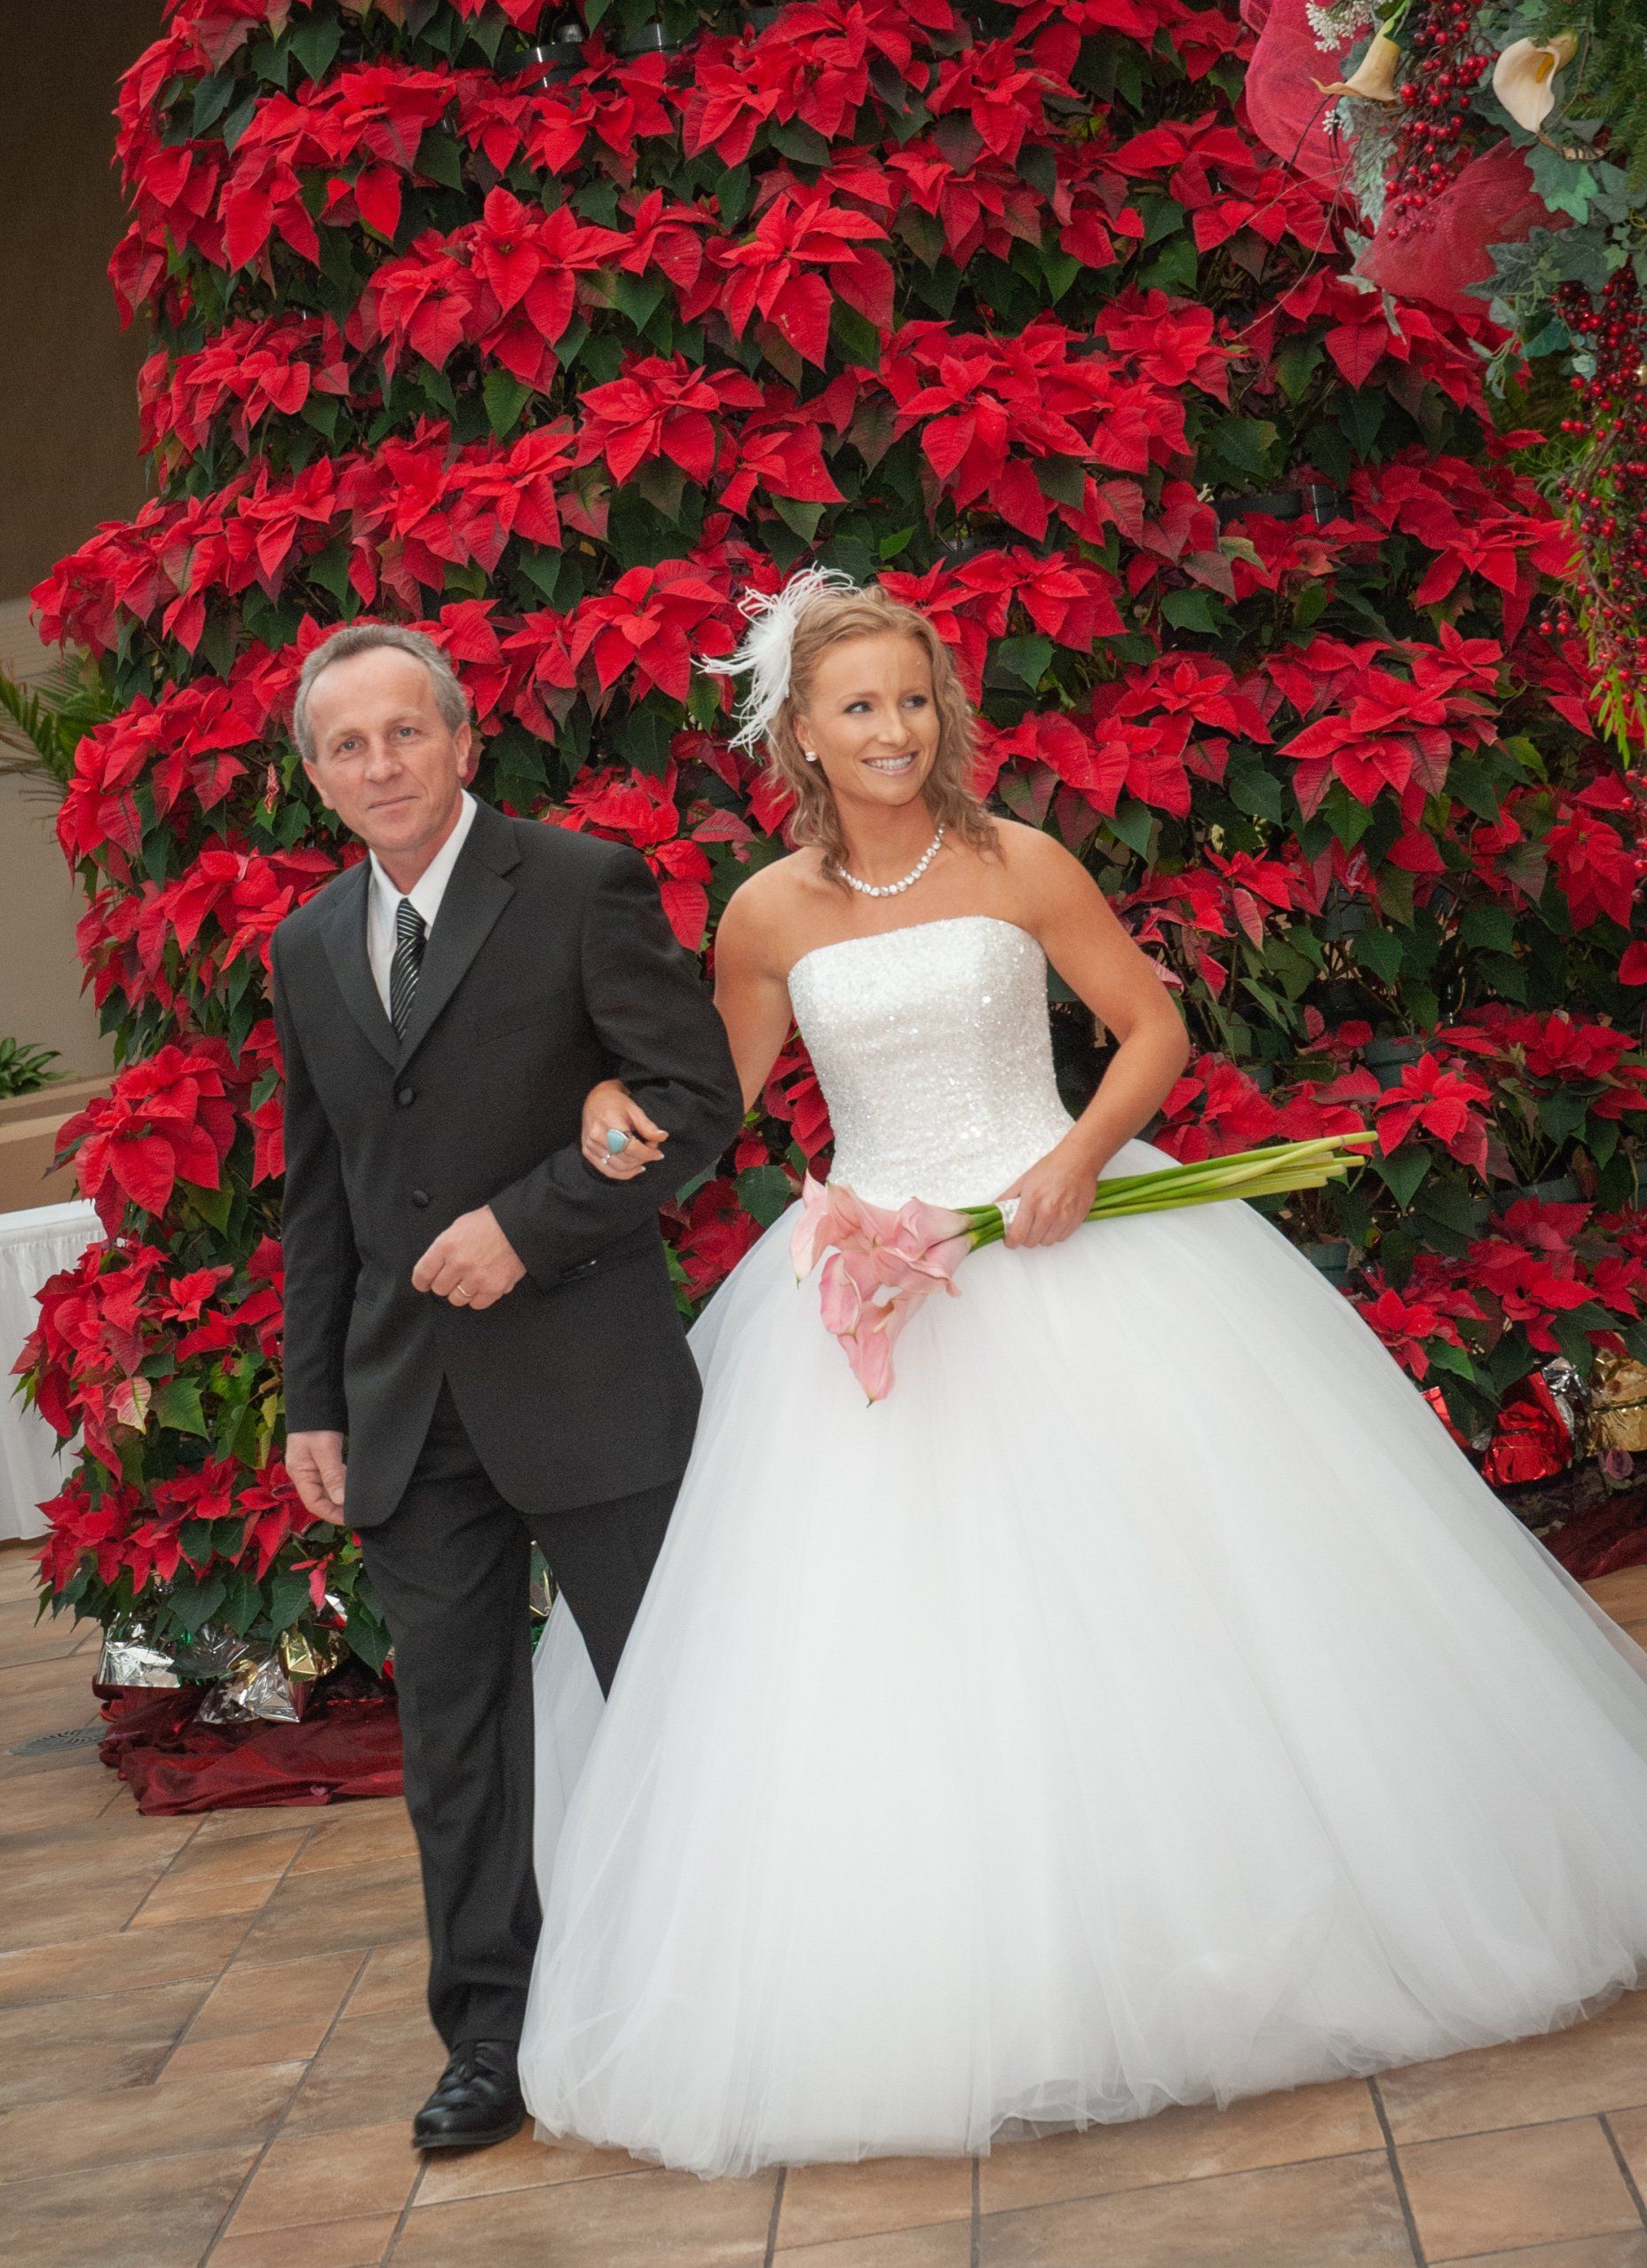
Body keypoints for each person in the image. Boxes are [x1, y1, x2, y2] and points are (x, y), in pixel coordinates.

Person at [518, 571, 1647, 2178]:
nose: (895, 728)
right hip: (882, 1284)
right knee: (904, 1643)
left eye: (915, 698)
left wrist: (1075, 1157)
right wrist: (608, 1114)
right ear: (801, 735)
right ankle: (980, 1980)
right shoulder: (765, 914)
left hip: (1070, 1243)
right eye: (860, 706)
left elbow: (1150, 1026)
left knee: (1171, 1597)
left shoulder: (1017, 860)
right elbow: (714, 1096)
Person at [270, 623, 740, 2155]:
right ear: (316, 776)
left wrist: (525, 1226)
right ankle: (490, 2034)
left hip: (588, 1377)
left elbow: (693, 1099)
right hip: (407, 1407)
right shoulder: (307, 946)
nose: (381, 764)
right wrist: (314, 1401)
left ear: (464, 741)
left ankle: (714, 1987)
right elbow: (321, 1193)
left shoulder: (581, 883)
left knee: (667, 1697)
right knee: (455, 1744)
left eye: (406, 731)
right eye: (348, 745)